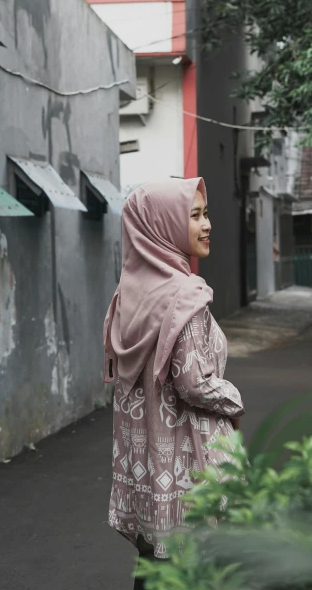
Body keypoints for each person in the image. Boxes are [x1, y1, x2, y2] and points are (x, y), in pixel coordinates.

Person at [104, 177, 244, 583]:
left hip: (146, 464)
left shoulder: (128, 295)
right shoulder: (186, 295)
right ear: (162, 225)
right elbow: (192, 383)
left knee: (153, 566)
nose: (208, 224)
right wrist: (234, 401)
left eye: (206, 213)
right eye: (195, 215)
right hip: (188, 463)